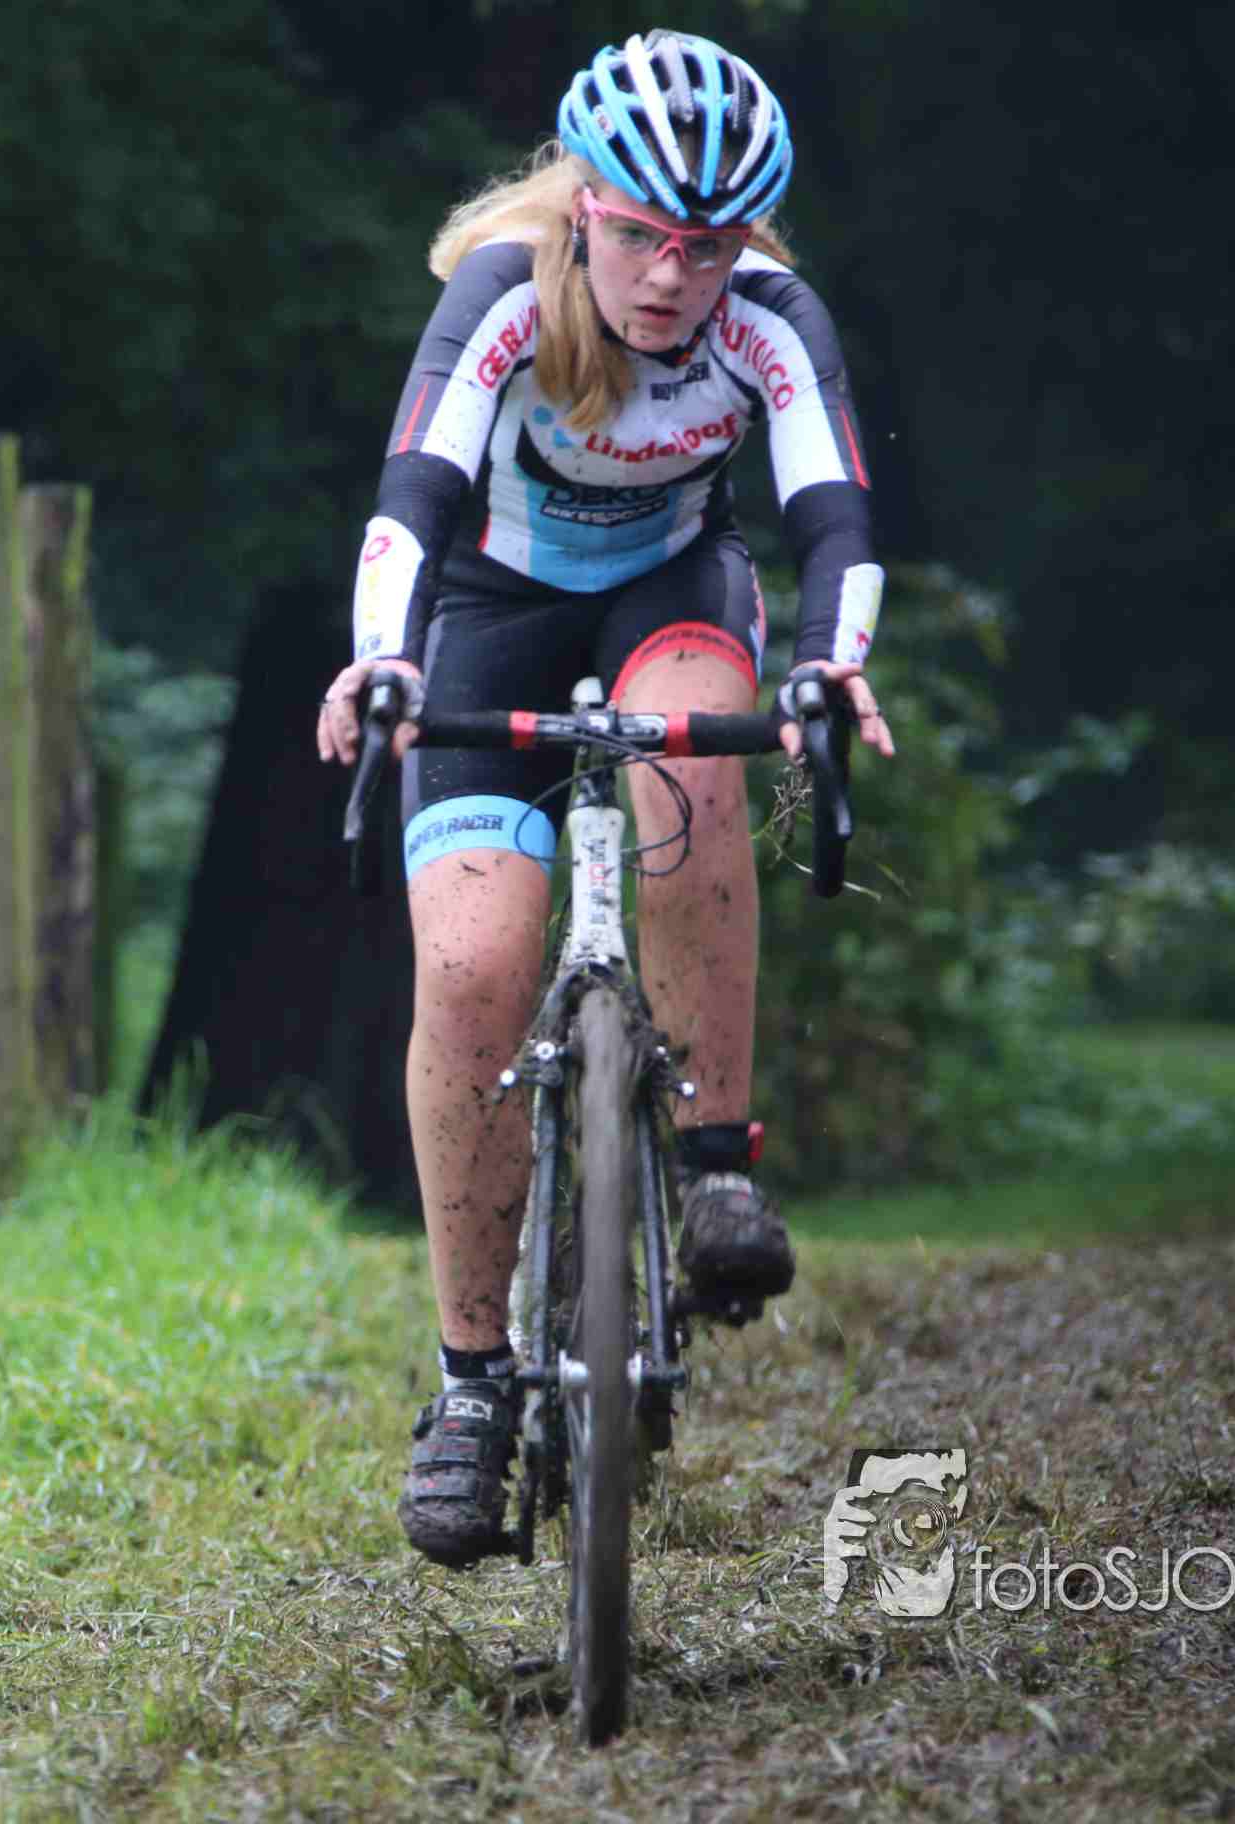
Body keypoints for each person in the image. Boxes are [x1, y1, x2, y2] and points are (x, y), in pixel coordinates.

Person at [313, 31, 898, 1568]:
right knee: (471, 968)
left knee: (694, 761)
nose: (669, 277)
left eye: (706, 246)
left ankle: (713, 1166)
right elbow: (411, 501)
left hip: (671, 592)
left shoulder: (769, 317)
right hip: (487, 611)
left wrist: (830, 668)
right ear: (583, 206)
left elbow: (836, 518)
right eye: (639, 235)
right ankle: (472, 1384)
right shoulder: (502, 292)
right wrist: (381, 660)